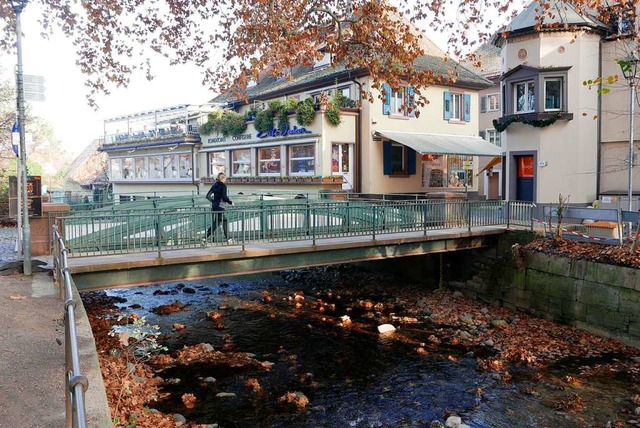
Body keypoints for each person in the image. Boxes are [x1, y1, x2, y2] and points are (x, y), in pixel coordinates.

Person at [205, 172, 234, 243]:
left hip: (214, 206)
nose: (226, 180)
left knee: (219, 222)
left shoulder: (214, 185)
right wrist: (231, 202)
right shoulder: (223, 186)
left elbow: (207, 196)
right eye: (225, 179)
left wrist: (214, 202)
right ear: (222, 178)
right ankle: (228, 239)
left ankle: (205, 238)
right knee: (222, 221)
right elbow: (224, 197)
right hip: (220, 206)